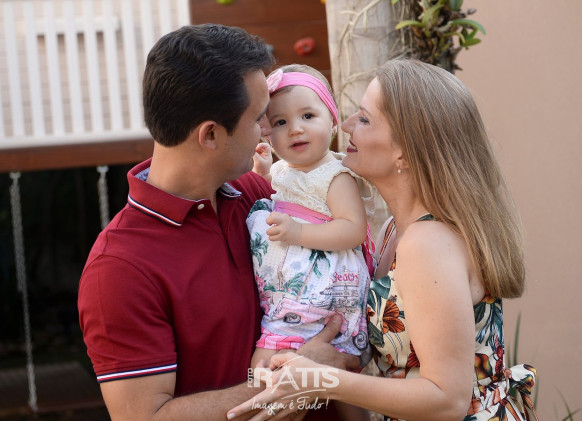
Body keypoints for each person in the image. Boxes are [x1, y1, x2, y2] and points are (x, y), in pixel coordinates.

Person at [227, 59, 539, 421]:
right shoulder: (395, 229)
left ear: (404, 148)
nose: (346, 125)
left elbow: (447, 400)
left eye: (363, 119)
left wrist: (319, 380)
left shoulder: (427, 244)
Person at [78, 24, 356, 421]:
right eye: (259, 118)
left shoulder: (258, 195)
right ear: (210, 135)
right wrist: (299, 380)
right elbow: (144, 416)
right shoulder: (120, 268)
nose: (268, 129)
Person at [248, 64, 373, 371]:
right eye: (280, 121)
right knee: (269, 366)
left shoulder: (335, 175)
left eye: (307, 116)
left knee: (268, 364)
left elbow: (353, 229)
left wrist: (298, 233)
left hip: (323, 295)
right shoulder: (281, 170)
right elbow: (284, 198)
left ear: (332, 121)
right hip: (287, 295)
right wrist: (263, 175)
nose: (295, 129)